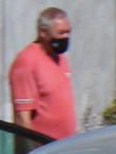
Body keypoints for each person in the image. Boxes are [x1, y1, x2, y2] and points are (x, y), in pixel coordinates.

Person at [9, 8, 77, 140]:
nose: (66, 37)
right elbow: (22, 117)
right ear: (43, 32)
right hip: (44, 152)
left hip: (64, 147)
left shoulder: (60, 58)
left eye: (69, 32)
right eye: (61, 33)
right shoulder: (26, 63)